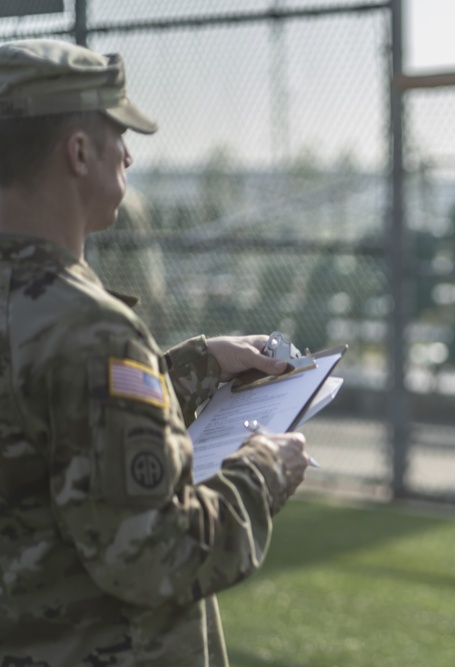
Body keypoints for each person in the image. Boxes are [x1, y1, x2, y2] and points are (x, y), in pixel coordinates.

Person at [0, 39, 312, 665]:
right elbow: (155, 556)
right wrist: (260, 473)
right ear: (80, 152)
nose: (130, 155)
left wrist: (188, 371)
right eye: (119, 135)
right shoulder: (90, 328)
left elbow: (36, 425)